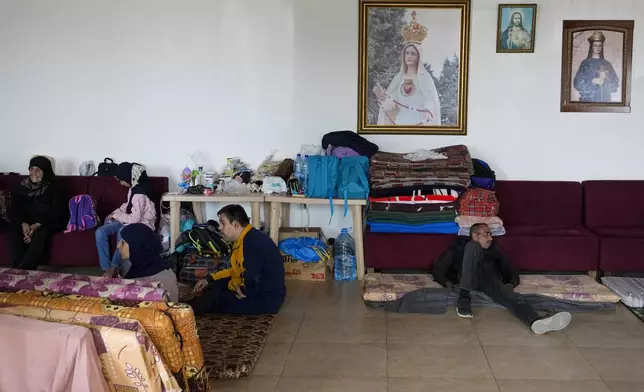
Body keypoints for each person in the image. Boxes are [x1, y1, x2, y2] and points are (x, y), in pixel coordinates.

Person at [436, 224, 572, 335]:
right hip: (468, 280)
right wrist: (448, 283)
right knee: (473, 247)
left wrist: (510, 284)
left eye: (491, 234)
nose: (491, 238)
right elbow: (439, 267)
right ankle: (464, 299)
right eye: (486, 233)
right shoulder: (459, 247)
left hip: (489, 280)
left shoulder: (494, 250)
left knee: (512, 297)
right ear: (475, 235)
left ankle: (535, 322)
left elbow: (509, 268)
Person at [190, 204, 286, 315]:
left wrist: (239, 291)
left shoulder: (252, 244)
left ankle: (184, 311)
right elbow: (237, 270)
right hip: (257, 289)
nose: (219, 228)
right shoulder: (245, 238)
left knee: (218, 300)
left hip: (265, 299)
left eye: (222, 223)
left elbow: (252, 278)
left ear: (235, 224)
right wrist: (210, 279)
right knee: (214, 285)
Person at [373, 12, 441, 126]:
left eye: (413, 53)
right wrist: (383, 97)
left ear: (418, 56)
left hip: (420, 124)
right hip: (400, 124)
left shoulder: (423, 78)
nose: (409, 56)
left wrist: (427, 111)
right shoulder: (398, 78)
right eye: (407, 53)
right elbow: (393, 107)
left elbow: (430, 100)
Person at [96, 162, 156, 278]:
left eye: (121, 180)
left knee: (122, 232)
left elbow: (135, 218)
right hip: (128, 219)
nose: (121, 183)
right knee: (100, 231)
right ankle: (106, 268)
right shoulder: (133, 188)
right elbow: (127, 205)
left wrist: (118, 216)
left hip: (142, 223)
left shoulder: (140, 194)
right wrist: (114, 213)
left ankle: (115, 267)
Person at [6, 156, 64, 269]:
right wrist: (23, 224)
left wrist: (37, 225)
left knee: (41, 233)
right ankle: (17, 265)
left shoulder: (54, 187)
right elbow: (14, 209)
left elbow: (57, 212)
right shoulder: (21, 186)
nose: (34, 173)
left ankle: (27, 267)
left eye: (38, 170)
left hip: (47, 222)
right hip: (25, 221)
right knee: (11, 230)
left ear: (45, 172)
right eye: (31, 169)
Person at [117, 223, 178, 302]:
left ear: (136, 246)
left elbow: (170, 310)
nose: (118, 246)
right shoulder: (138, 266)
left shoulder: (161, 281)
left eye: (122, 243)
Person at [573, 31, 619, 102]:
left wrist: (605, 80)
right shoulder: (585, 63)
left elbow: (615, 84)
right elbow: (577, 83)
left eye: (600, 45)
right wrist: (592, 81)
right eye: (595, 45)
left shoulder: (607, 64)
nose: (598, 48)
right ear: (591, 46)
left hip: (604, 100)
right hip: (589, 100)